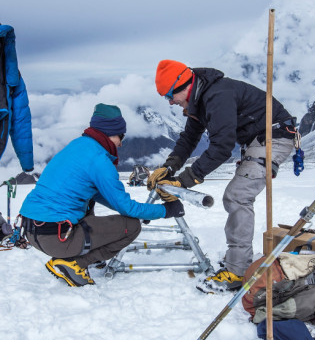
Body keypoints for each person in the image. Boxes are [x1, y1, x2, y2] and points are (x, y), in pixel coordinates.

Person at [148, 60, 298, 293]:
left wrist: (184, 180)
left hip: (273, 138)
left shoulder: (217, 96)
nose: (170, 101)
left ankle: (237, 271)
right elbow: (189, 138)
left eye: (170, 94)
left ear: (184, 85)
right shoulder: (199, 98)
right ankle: (236, 261)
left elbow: (222, 146)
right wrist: (169, 168)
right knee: (236, 196)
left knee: (237, 196)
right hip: (256, 139)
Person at [20, 103, 185, 287]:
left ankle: (87, 256)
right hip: (58, 237)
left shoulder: (77, 146)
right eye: (120, 136)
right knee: (131, 227)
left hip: (32, 231)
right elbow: (126, 207)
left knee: (89, 202)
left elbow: (98, 195)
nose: (121, 143)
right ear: (109, 133)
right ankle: (75, 263)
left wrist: (142, 211)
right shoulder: (100, 160)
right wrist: (165, 210)